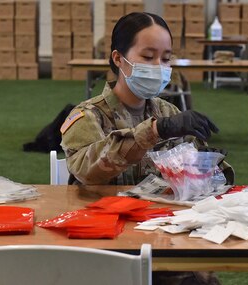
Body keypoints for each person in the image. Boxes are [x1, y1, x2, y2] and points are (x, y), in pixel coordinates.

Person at [61, 12, 233, 285]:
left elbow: (197, 173)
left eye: (165, 58)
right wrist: (155, 131)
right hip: (107, 243)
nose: (159, 66)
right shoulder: (88, 116)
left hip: (162, 237)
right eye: (148, 56)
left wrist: (213, 167)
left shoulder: (168, 111)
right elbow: (87, 172)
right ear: (119, 59)